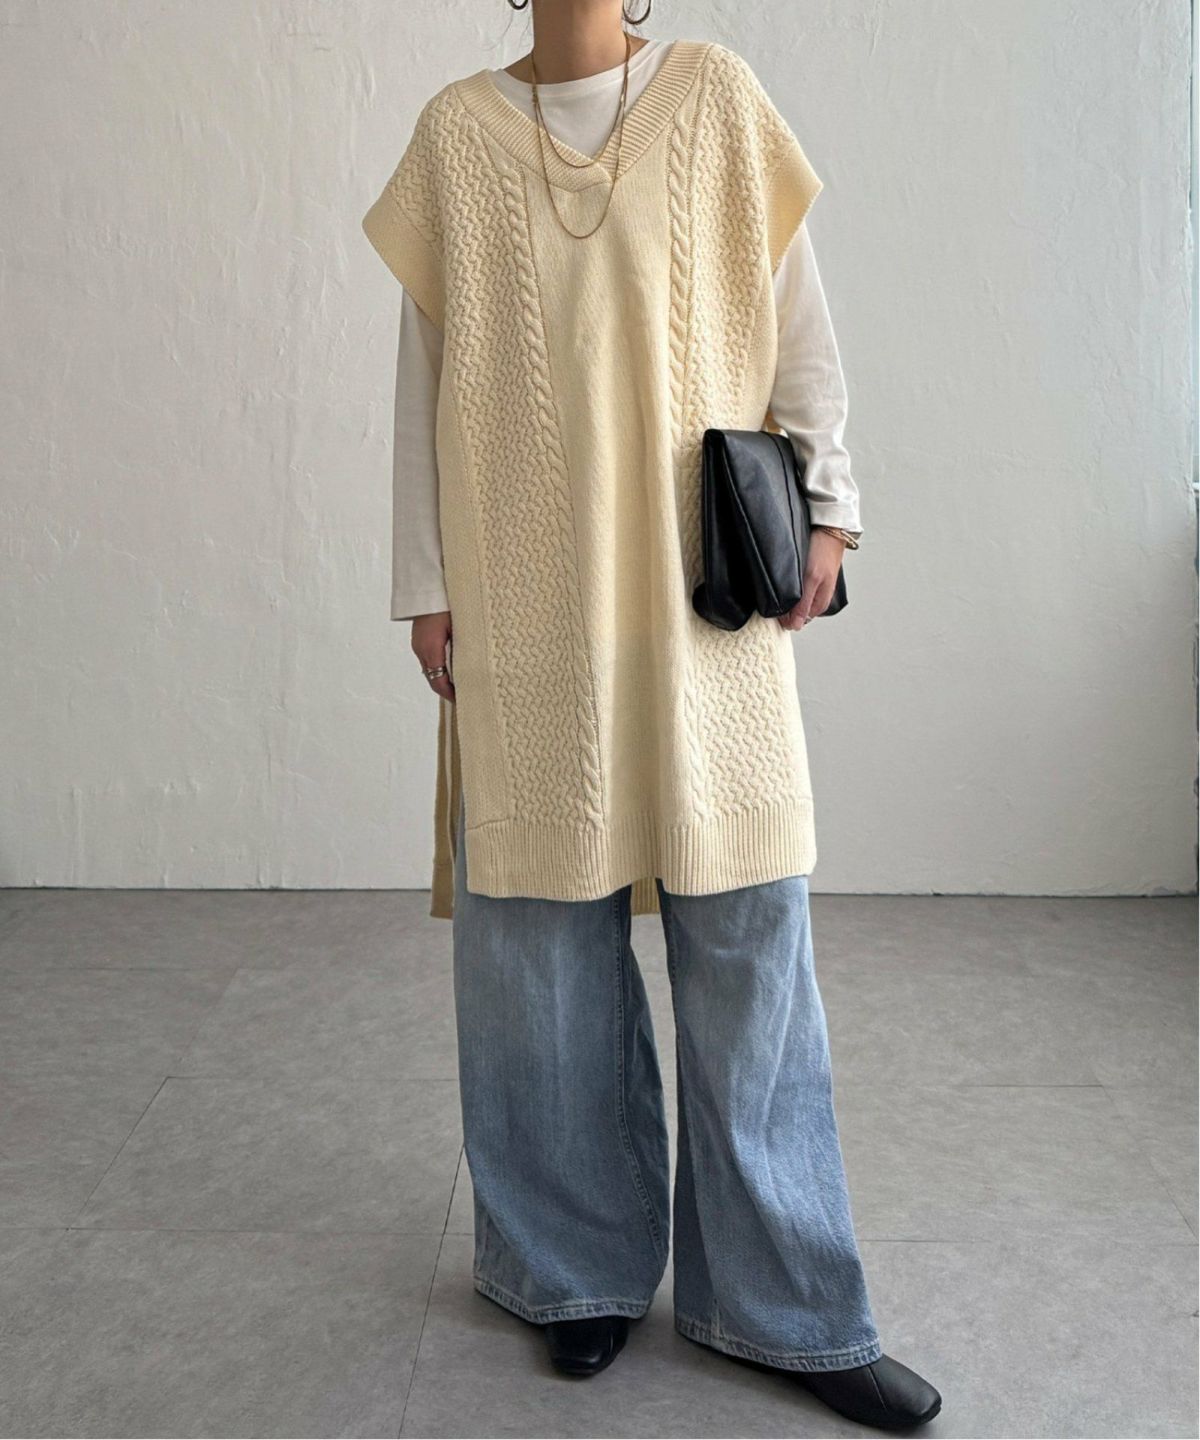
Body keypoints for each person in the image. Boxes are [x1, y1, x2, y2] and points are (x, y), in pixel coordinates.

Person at [361, 1, 941, 1429]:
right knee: (537, 950)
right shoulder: (454, 137)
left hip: (701, 603)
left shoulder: (718, 98)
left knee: (749, 936)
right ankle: (574, 1272)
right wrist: (427, 584)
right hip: (526, 598)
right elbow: (424, 379)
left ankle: (782, 1306)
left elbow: (796, 315)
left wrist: (832, 503)